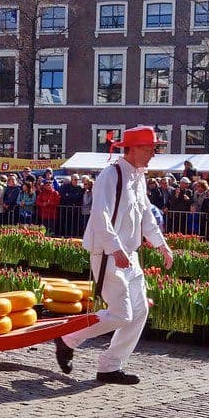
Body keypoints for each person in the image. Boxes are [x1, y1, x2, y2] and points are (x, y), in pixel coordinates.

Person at [55, 126, 174, 385]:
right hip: (109, 254)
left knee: (139, 311)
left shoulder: (139, 177)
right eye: (150, 149)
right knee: (121, 314)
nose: (154, 154)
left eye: (154, 148)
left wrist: (161, 244)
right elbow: (100, 215)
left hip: (128, 254)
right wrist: (115, 249)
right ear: (132, 149)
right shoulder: (111, 175)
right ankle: (68, 339)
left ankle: (110, 367)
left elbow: (146, 217)